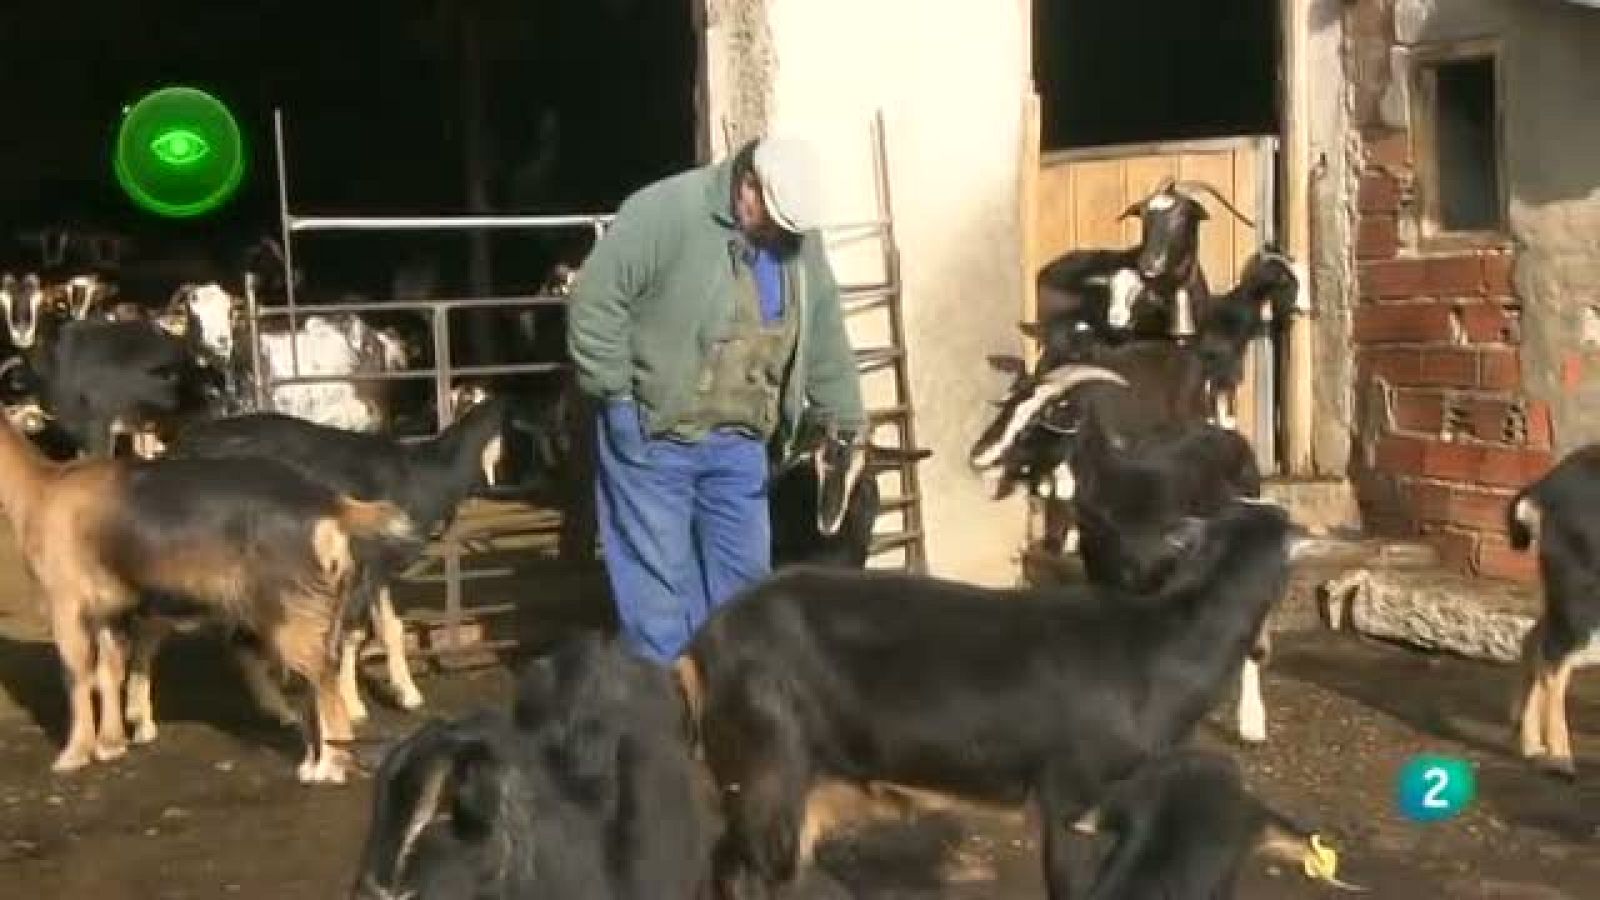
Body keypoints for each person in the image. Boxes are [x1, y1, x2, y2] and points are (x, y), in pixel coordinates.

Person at [567, 135, 866, 665]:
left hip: (741, 439)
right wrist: (616, 399)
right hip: (655, 431)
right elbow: (595, 301)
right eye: (771, 220)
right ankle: (669, 703)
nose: (778, 235)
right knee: (660, 595)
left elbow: (822, 328)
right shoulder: (664, 213)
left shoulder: (799, 245)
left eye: (788, 229)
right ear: (748, 184)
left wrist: (842, 416)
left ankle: (732, 703)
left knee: (744, 594)